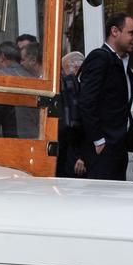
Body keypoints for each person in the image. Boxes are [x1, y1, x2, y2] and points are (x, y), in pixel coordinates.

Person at [76, 13, 133, 180]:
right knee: (103, 200)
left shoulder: (121, 61)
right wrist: (98, 140)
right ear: (114, 31)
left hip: (118, 145)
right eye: (131, 33)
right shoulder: (100, 57)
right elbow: (86, 102)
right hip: (104, 148)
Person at [57, 49, 88, 177]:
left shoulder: (76, 89)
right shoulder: (73, 88)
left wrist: (82, 156)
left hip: (78, 154)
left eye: (63, 70)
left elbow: (83, 123)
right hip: (71, 153)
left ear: (74, 67)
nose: (63, 75)